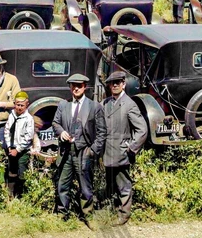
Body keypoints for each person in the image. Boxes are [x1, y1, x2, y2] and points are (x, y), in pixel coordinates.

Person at [51, 73, 106, 219]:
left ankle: (87, 215)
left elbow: (102, 132)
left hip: (84, 151)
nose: (76, 88)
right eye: (73, 85)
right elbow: (55, 123)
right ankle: (63, 214)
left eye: (79, 86)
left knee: (85, 186)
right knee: (63, 184)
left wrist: (93, 150)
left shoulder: (94, 107)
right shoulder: (64, 104)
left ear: (85, 87)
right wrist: (61, 132)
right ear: (70, 87)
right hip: (66, 152)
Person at [103, 70, 148, 225]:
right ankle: (113, 211)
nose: (115, 86)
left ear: (123, 84)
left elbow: (142, 130)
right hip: (107, 152)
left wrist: (131, 147)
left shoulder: (129, 104)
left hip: (122, 153)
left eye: (118, 83)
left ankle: (124, 215)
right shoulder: (106, 103)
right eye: (112, 83)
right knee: (111, 184)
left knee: (124, 186)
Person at [4, 91, 35, 198]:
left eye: (22, 105)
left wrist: (17, 149)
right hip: (11, 148)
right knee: (11, 171)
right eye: (17, 105)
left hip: (22, 150)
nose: (19, 108)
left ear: (27, 105)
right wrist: (9, 146)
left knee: (22, 172)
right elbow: (7, 130)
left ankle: (22, 195)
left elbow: (28, 137)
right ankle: (11, 195)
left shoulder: (28, 119)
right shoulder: (11, 115)